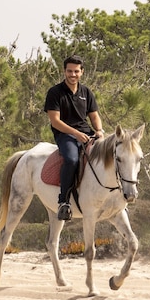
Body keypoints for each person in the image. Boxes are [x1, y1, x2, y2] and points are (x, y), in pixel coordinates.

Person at [44, 55, 105, 220]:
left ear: (82, 72)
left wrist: (99, 130)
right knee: (71, 159)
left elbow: (94, 116)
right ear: (64, 71)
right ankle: (64, 201)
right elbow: (55, 121)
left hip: (87, 133)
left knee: (110, 154)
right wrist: (76, 134)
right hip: (65, 135)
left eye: (76, 71)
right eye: (69, 71)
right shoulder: (55, 93)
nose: (73, 74)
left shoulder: (86, 92)